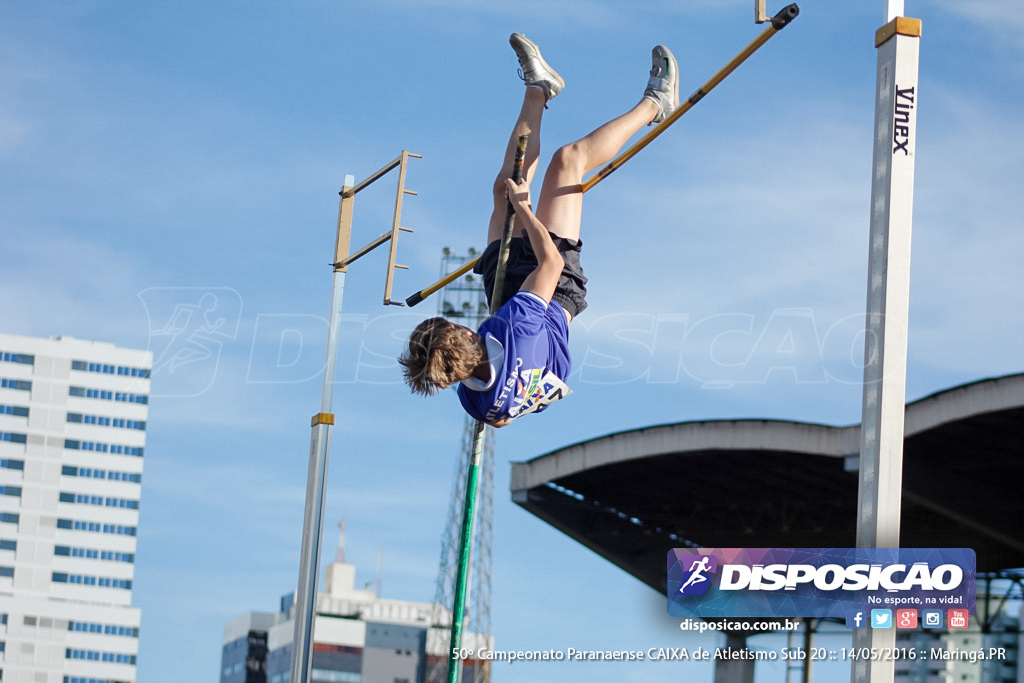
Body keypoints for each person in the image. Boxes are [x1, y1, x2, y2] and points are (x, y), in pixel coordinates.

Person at [400, 33, 679, 427]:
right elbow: (548, 266)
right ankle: (656, 105)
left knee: (504, 185)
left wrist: (519, 399)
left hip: (511, 293)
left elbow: (500, 420)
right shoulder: (516, 330)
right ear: (465, 337)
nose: (462, 325)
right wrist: (524, 210)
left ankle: (540, 87)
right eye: (457, 327)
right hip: (554, 290)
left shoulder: (477, 401)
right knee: (567, 161)